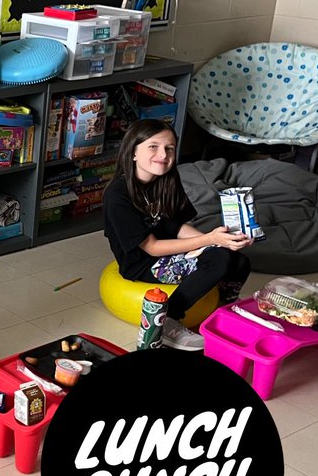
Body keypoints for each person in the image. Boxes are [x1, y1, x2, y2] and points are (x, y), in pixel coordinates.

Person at [102, 119, 253, 349]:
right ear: (133, 152)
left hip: (168, 252)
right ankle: (169, 319)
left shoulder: (167, 180)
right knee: (220, 258)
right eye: (153, 147)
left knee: (238, 260)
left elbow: (178, 227)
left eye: (169, 148)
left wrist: (220, 241)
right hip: (143, 263)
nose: (162, 154)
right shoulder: (117, 196)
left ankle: (225, 307)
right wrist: (210, 240)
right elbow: (151, 247)